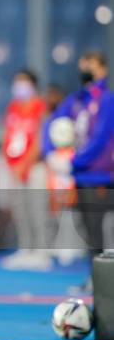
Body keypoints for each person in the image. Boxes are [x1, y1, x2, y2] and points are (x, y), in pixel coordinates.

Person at [43, 51, 114, 293]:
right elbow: (51, 123)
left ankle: (104, 282)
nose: (85, 70)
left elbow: (101, 139)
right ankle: (96, 279)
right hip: (81, 177)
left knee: (102, 233)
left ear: (102, 69)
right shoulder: (75, 100)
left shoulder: (106, 99)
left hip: (101, 176)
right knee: (89, 232)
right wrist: (51, 152)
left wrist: (74, 161)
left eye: (90, 66)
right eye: (83, 65)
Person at [0, 70, 53, 271]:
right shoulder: (13, 108)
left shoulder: (40, 106)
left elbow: (41, 138)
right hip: (16, 167)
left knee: (37, 208)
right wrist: (12, 163)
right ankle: (25, 249)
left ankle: (41, 252)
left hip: (35, 165)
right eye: (16, 82)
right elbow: (8, 135)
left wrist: (26, 163)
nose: (19, 86)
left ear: (32, 85)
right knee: (20, 209)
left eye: (23, 82)